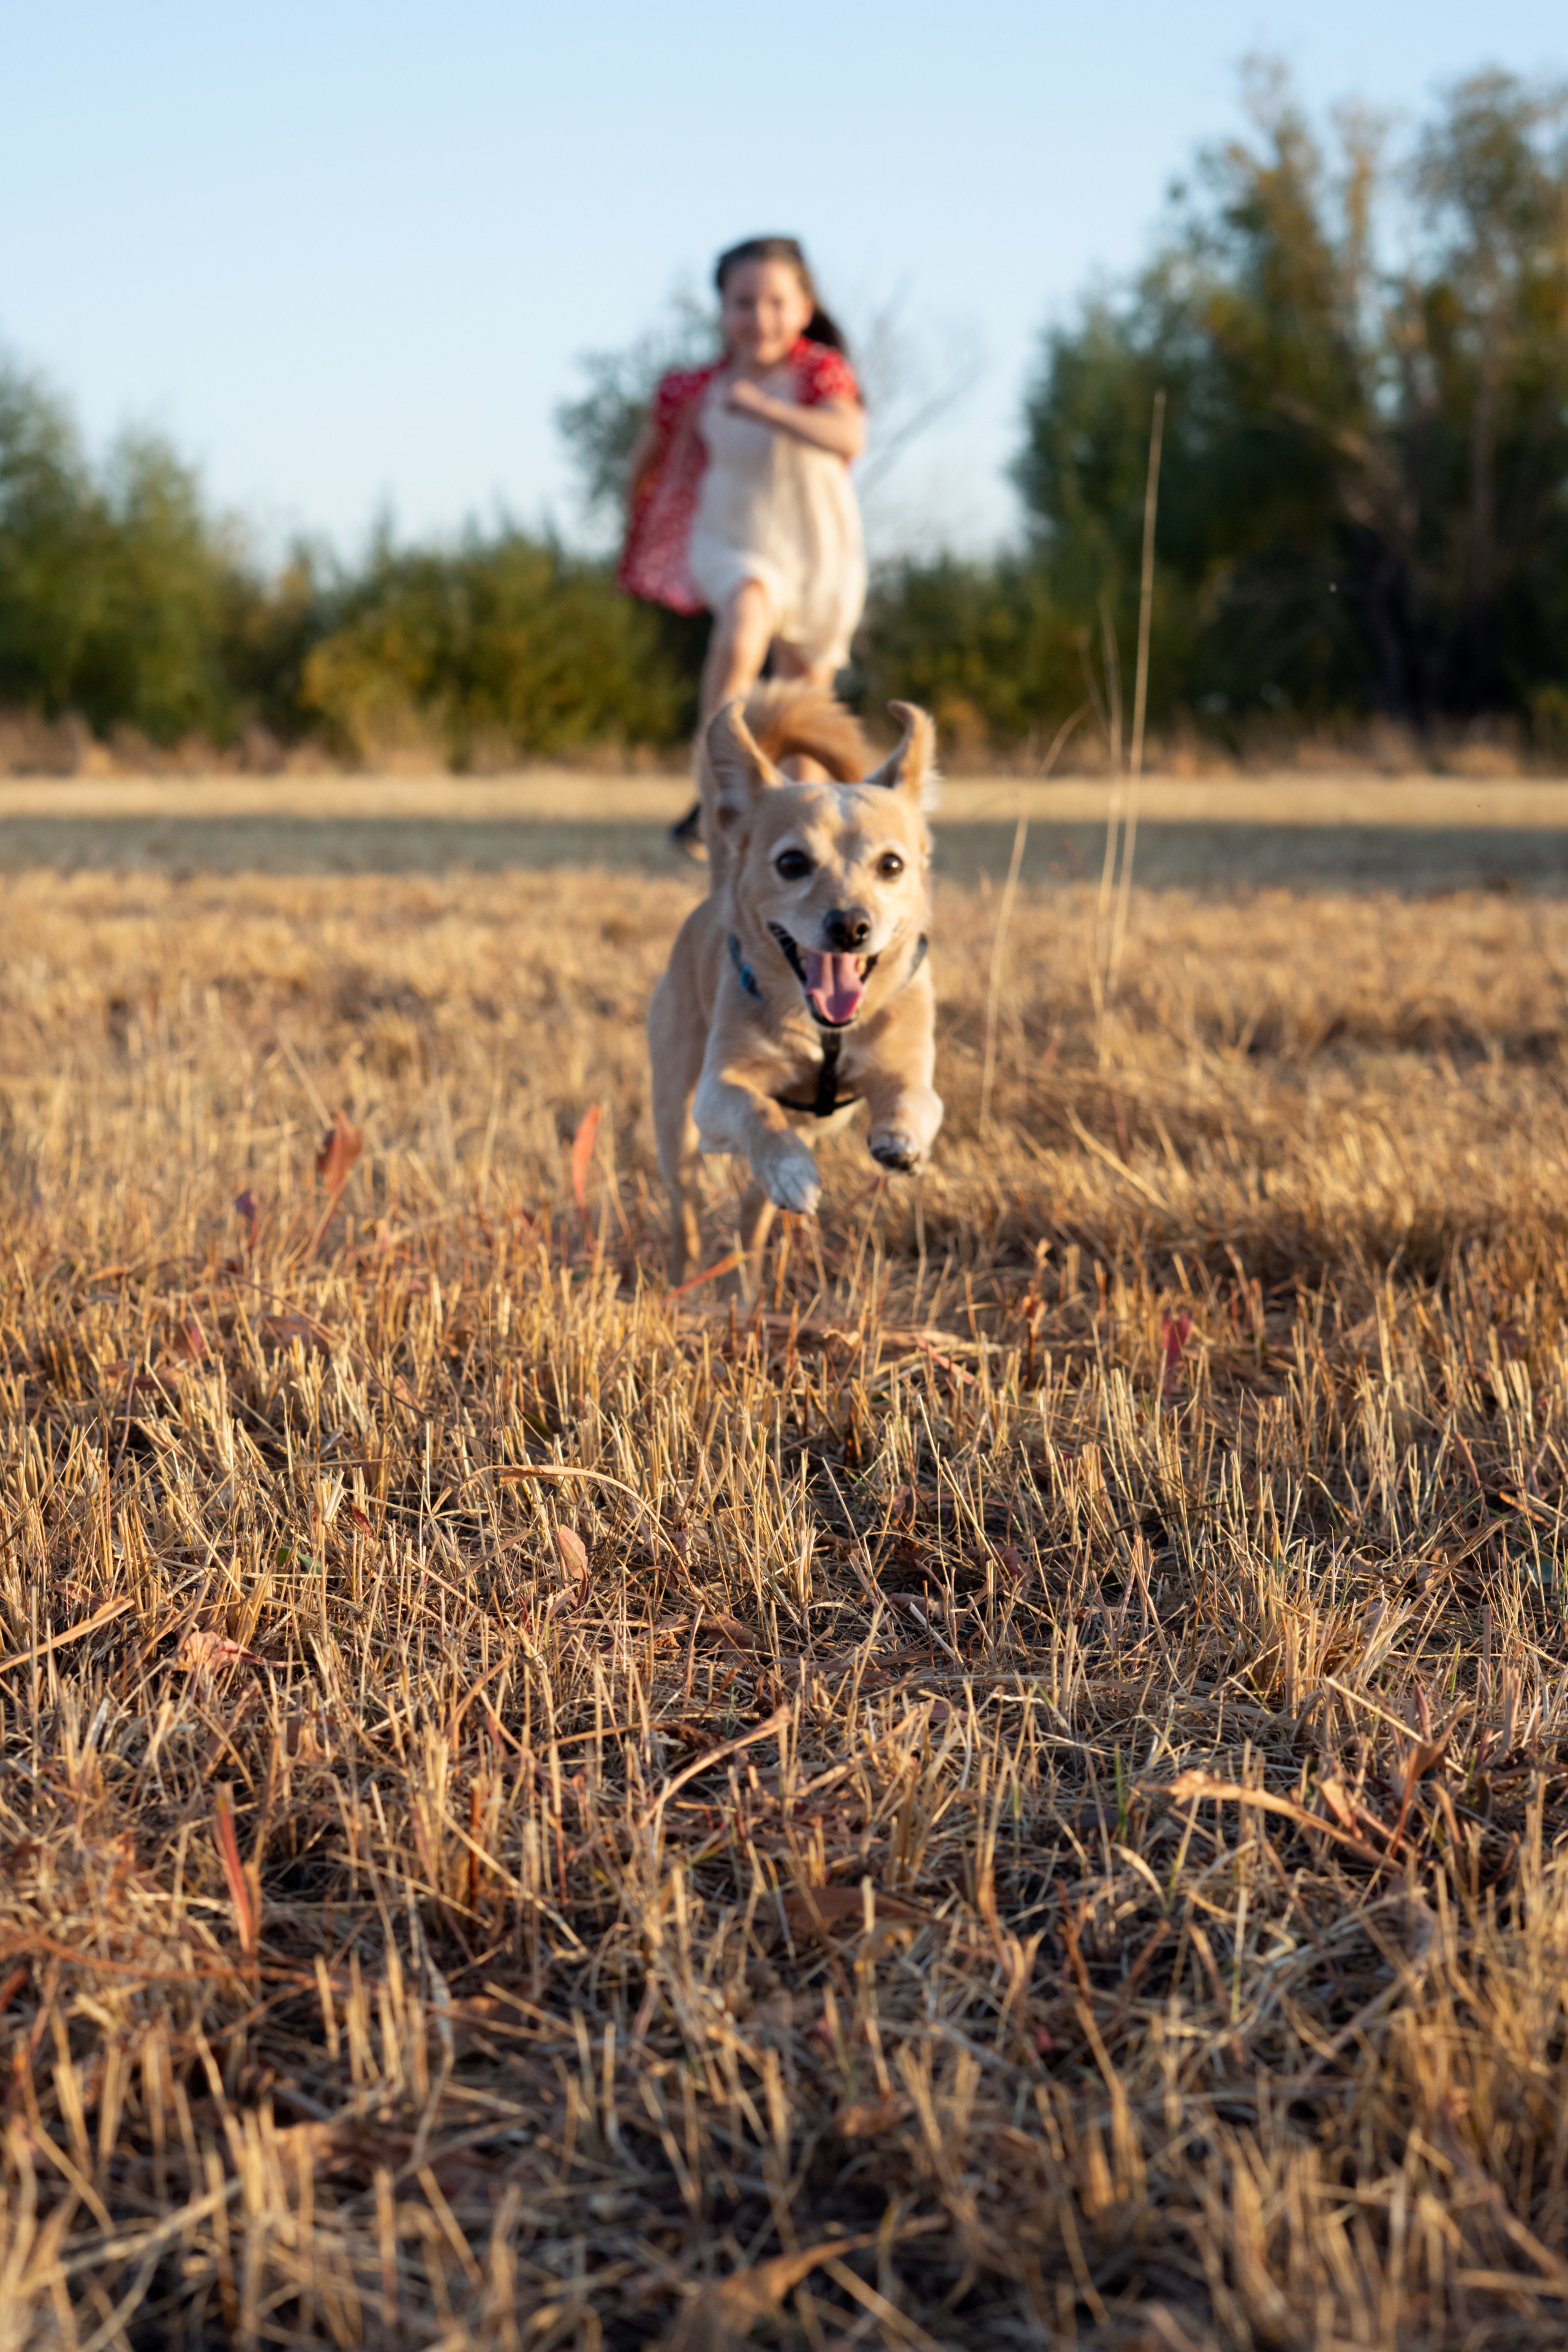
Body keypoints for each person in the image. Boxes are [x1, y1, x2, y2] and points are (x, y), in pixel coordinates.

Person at [619, 236, 867, 850]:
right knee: (744, 617)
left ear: (805, 308)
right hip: (731, 535)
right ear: (721, 310)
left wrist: (762, 408)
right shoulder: (694, 387)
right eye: (742, 302)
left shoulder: (819, 373)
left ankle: (804, 831)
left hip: (815, 543)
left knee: (802, 699)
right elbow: (646, 458)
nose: (759, 317)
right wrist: (638, 518)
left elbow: (848, 436)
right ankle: (720, 787)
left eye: (776, 302)